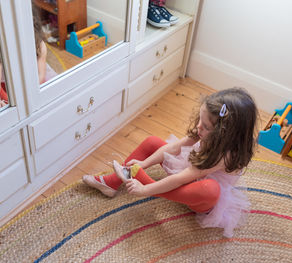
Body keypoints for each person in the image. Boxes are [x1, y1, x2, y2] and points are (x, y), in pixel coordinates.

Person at [83, 87, 258, 238]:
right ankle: (112, 183)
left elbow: (182, 178)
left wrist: (145, 189)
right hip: (191, 171)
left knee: (210, 189)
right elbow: (175, 147)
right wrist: (145, 163)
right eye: (200, 120)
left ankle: (141, 179)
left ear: (224, 134)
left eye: (205, 126)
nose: (199, 127)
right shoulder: (207, 130)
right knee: (153, 142)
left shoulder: (225, 155)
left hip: (200, 197)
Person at [0, 3, 57, 111]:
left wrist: (29, 93)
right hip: (5, 83)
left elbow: (40, 74)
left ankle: (19, 101)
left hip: (30, 82)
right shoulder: (1, 43)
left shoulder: (39, 45)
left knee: (47, 90)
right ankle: (7, 101)